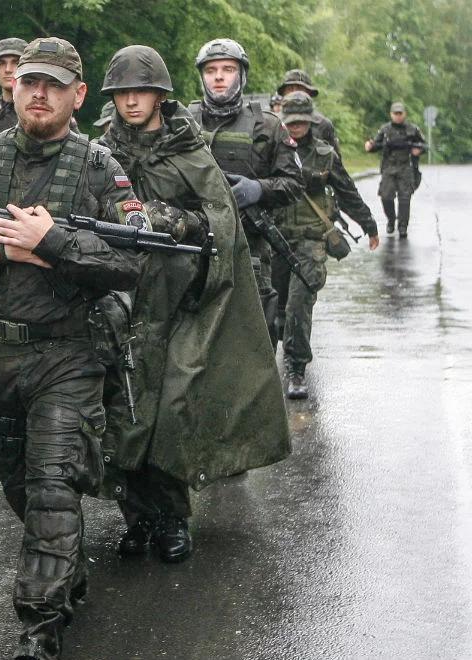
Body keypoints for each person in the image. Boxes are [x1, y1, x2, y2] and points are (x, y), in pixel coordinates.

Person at [0, 37, 147, 660]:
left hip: (68, 355)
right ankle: (63, 571)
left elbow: (132, 259)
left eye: (53, 84)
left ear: (78, 96)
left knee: (53, 485)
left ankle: (39, 628)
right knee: (20, 487)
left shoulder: (101, 167)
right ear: (13, 88)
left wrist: (53, 243)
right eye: (28, 82)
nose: (38, 92)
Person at [96, 45, 291, 563]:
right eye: (121, 93)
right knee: (121, 408)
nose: (131, 101)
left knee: (170, 410)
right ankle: (137, 516)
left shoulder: (189, 150)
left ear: (161, 95)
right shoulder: (99, 152)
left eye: (140, 91)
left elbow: (222, 226)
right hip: (118, 299)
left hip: (183, 300)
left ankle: (172, 517)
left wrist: (178, 222)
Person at [188, 38, 304, 343]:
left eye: (228, 69)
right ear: (202, 76)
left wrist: (258, 189)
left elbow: (294, 184)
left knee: (255, 341)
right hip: (192, 249)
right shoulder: (182, 122)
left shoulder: (268, 126)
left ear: (241, 75)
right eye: (211, 70)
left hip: (249, 249)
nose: (219, 76)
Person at [276, 92, 380, 398]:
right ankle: (278, 354)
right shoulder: (272, 151)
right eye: (290, 122)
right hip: (276, 238)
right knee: (275, 307)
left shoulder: (324, 154)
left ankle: (296, 369)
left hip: (311, 241)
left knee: (298, 304)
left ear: (310, 121)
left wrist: (369, 224)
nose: (295, 127)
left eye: (300, 122)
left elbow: (346, 191)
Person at [365, 102, 426, 237]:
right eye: (395, 114)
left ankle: (403, 226)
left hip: (406, 167)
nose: (398, 116)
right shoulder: (385, 129)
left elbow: (424, 145)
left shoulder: (413, 129)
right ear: (391, 114)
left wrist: (419, 150)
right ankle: (391, 220)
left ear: (405, 114)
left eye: (400, 113)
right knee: (386, 196)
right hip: (389, 167)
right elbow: (376, 144)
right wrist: (370, 146)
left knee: (405, 198)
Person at [277, 69, 340, 153]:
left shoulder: (323, 124)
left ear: (309, 93)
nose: (295, 93)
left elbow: (334, 162)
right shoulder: (273, 123)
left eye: (300, 89)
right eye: (290, 89)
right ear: (283, 93)